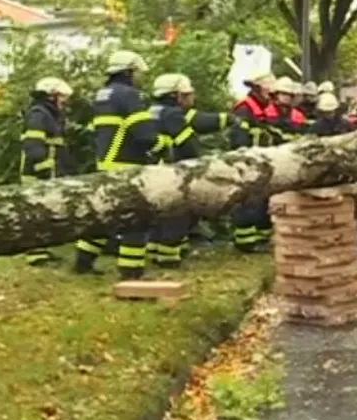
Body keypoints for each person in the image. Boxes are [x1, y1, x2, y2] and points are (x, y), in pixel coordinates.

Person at [76, 50, 162, 279]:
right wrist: (160, 143)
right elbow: (144, 134)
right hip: (126, 163)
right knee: (136, 218)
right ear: (128, 72)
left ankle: (83, 262)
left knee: (104, 215)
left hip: (106, 161)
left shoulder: (103, 94)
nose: (138, 77)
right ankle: (131, 271)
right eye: (135, 73)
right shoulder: (129, 95)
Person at [148, 73, 229, 267]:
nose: (191, 98)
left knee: (158, 214)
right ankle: (169, 258)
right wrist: (202, 162)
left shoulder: (153, 110)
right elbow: (187, 145)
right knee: (176, 213)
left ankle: (155, 249)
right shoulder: (173, 114)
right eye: (186, 94)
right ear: (175, 95)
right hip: (172, 172)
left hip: (155, 169)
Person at [21, 77, 74, 266]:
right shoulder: (38, 114)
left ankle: (43, 250)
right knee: (36, 213)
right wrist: (43, 168)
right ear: (51, 96)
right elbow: (33, 144)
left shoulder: (50, 114)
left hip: (49, 170)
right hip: (38, 172)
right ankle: (35, 255)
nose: (64, 101)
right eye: (61, 96)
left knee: (46, 212)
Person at [229, 72, 280, 252]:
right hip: (247, 162)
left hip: (262, 161)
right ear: (258, 89)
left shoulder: (263, 106)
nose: (272, 97)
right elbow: (238, 137)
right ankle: (245, 243)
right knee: (247, 202)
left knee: (261, 201)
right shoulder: (244, 108)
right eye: (270, 92)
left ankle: (260, 239)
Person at [271, 77, 306, 142]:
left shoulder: (298, 115)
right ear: (276, 94)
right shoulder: (267, 111)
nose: (286, 97)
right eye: (283, 94)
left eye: (289, 95)